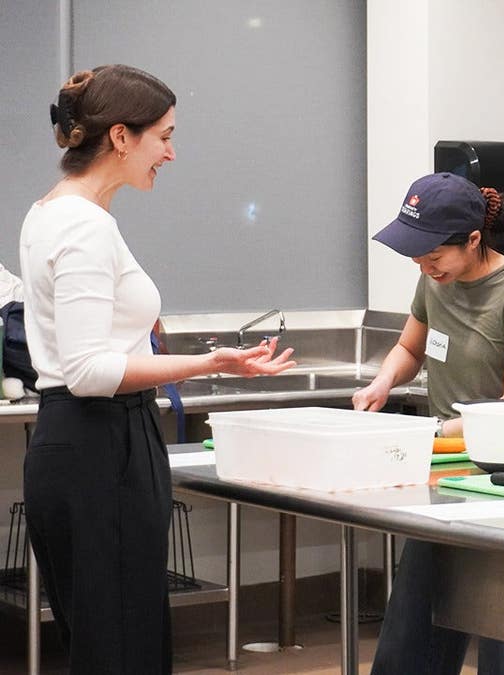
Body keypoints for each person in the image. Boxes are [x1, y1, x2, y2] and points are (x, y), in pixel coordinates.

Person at [19, 65, 295, 674]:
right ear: (121, 136)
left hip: (84, 442)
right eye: (164, 137)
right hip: (101, 444)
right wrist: (211, 361)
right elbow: (89, 371)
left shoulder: (50, 212)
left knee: (109, 641)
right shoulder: (84, 226)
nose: (171, 153)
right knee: (122, 646)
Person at [358, 172, 504, 675]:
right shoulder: (433, 281)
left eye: (433, 256)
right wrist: (383, 381)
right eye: (416, 258)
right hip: (444, 477)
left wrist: (431, 432)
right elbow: (410, 349)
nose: (425, 267)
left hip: (503, 485)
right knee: (411, 642)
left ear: (473, 239)